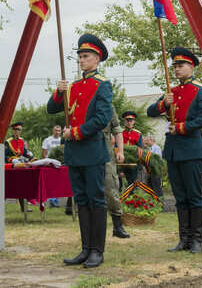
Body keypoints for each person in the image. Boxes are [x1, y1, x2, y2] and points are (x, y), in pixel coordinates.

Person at [47, 33, 113, 268]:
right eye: (80, 56)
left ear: (96, 59)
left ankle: (97, 249)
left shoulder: (102, 85)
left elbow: (102, 118)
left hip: (92, 150)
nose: (81, 60)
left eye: (85, 56)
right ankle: (85, 249)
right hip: (75, 153)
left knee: (96, 199)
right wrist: (59, 91)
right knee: (81, 200)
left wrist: (74, 133)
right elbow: (50, 109)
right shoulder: (72, 86)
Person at [147, 47, 202, 254]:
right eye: (174, 65)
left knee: (194, 195)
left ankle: (196, 240)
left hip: (192, 149)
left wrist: (183, 127)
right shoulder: (171, 91)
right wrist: (162, 104)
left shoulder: (200, 90)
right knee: (180, 197)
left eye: (180, 65)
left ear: (191, 67)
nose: (176, 69)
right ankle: (183, 238)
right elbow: (150, 111)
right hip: (174, 150)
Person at [103, 109, 129, 239]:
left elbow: (117, 130)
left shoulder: (108, 106)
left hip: (106, 154)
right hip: (88, 155)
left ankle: (117, 226)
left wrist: (120, 151)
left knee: (111, 187)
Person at [4, 122, 34, 213]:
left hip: (21, 165)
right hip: (12, 166)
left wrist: (29, 154)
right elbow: (3, 155)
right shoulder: (7, 142)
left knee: (22, 185)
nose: (18, 132)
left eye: (19, 130)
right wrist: (11, 160)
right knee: (8, 186)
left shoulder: (21, 140)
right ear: (13, 130)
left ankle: (23, 207)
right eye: (16, 129)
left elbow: (23, 152)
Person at [41, 125, 63, 208]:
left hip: (59, 163)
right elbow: (43, 153)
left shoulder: (62, 140)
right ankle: (52, 201)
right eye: (56, 130)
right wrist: (47, 162)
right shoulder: (47, 140)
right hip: (50, 164)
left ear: (61, 131)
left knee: (57, 183)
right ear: (53, 131)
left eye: (59, 130)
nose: (57, 132)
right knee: (51, 183)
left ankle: (55, 201)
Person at [121, 111, 144, 186]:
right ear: (124, 121)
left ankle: (133, 196)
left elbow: (140, 149)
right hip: (123, 160)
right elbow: (116, 147)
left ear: (134, 121)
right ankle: (125, 196)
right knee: (123, 182)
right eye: (127, 120)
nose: (129, 122)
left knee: (133, 181)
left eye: (131, 120)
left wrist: (140, 162)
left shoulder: (138, 133)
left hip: (134, 161)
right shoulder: (120, 133)